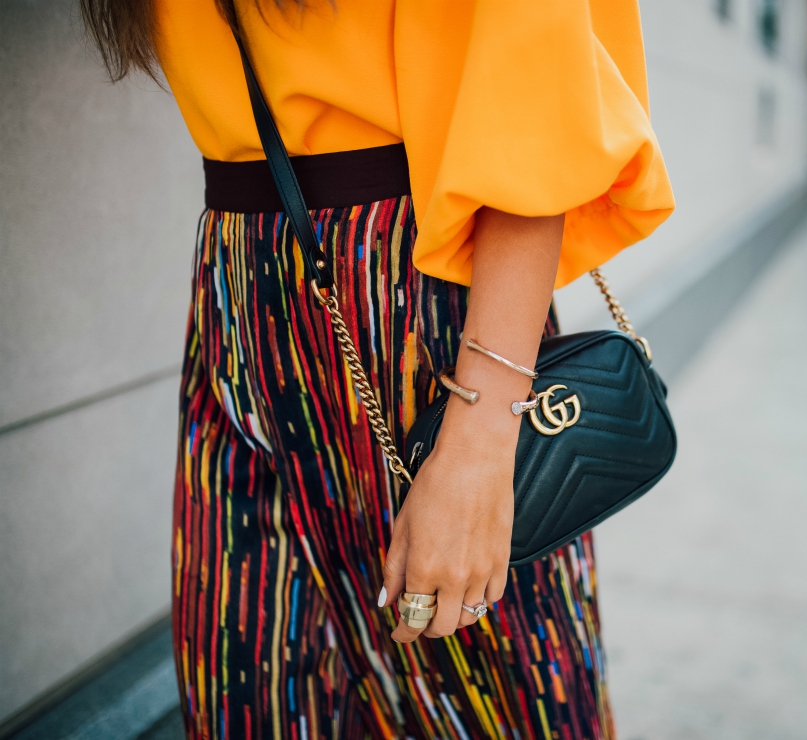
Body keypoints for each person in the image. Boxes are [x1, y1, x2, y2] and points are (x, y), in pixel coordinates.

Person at [82, 1, 674, 737]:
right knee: (252, 686)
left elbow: (532, 107)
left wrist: (484, 432)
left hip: (414, 304)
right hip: (236, 298)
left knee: (489, 699)